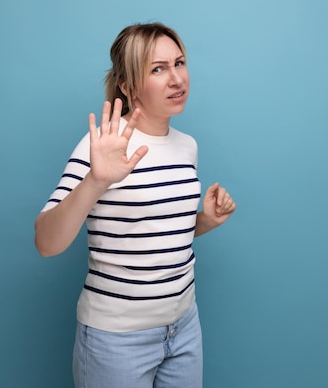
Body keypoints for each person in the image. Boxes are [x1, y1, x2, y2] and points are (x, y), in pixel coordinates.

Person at [34, 22, 236, 388]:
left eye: (179, 63)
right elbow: (46, 243)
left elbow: (157, 234)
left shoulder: (187, 146)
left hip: (184, 327)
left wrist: (204, 220)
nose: (176, 79)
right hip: (116, 341)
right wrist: (97, 180)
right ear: (127, 86)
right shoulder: (100, 147)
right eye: (157, 69)